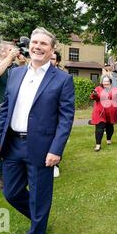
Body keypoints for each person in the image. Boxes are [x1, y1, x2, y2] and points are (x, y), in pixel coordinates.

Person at [0, 27, 75, 234]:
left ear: (52, 49)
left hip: (41, 147)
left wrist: (56, 149)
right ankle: (40, 220)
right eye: (35, 42)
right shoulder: (15, 73)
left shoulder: (62, 79)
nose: (38, 47)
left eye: (43, 44)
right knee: (11, 193)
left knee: (40, 197)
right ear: (29, 46)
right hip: (12, 144)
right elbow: (5, 109)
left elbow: (66, 119)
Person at [0, 41, 26, 191]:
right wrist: (9, 58)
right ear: (2, 52)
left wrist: (22, 64)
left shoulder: (16, 68)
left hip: (15, 110)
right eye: (10, 50)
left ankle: (15, 171)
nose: (14, 52)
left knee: (14, 141)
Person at [90, 75, 117, 151]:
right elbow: (94, 97)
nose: (106, 83)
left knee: (110, 126)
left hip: (111, 112)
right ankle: (98, 145)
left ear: (110, 82)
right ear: (102, 82)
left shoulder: (114, 89)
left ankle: (109, 139)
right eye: (104, 81)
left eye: (107, 81)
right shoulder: (98, 88)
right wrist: (94, 95)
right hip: (100, 112)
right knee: (99, 127)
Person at [50, 50, 63, 178]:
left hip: (55, 115)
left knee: (55, 138)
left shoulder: (62, 77)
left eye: (53, 59)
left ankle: (55, 164)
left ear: (57, 61)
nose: (50, 61)